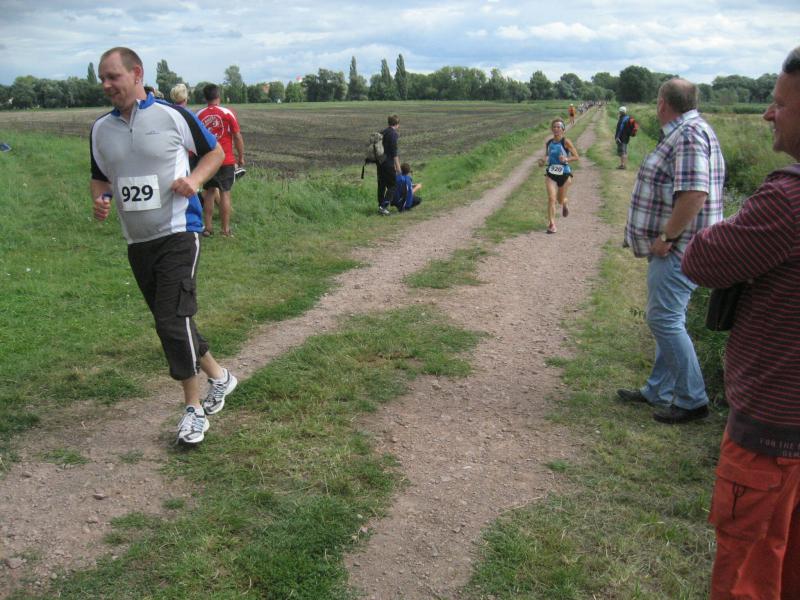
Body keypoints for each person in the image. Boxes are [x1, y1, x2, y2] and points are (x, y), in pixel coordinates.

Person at [681, 46, 800, 600]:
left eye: (781, 103)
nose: (768, 113)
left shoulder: (788, 202)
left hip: (774, 433)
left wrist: (729, 225)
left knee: (748, 575)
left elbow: (702, 259)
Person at [90, 47, 238, 445]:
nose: (106, 85)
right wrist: (100, 200)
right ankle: (220, 377)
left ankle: (193, 410)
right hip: (137, 241)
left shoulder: (173, 115)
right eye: (102, 79)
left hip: (179, 232)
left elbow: (215, 152)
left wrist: (195, 180)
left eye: (113, 77)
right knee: (174, 318)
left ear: (136, 74)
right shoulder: (100, 129)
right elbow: (100, 177)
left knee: (170, 322)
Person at [617, 77, 724, 424]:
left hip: (681, 248)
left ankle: (693, 400)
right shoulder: (689, 131)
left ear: (662, 103)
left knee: (663, 319)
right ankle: (658, 390)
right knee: (668, 316)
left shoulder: (688, 134)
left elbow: (694, 193)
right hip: (683, 245)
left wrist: (667, 236)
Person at [197, 84, 244, 237]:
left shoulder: (199, 115)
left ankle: (208, 228)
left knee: (209, 193)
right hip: (225, 160)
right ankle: (225, 230)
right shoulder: (227, 113)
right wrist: (241, 157)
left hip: (208, 160)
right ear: (218, 96)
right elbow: (237, 136)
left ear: (205, 98)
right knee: (225, 193)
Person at [537, 118, 579, 234]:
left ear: (563, 129)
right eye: (554, 127)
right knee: (551, 198)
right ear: (552, 129)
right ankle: (552, 224)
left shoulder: (566, 142)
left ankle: (564, 203)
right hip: (551, 173)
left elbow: (576, 157)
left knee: (560, 200)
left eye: (558, 127)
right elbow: (546, 155)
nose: (556, 129)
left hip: (564, 174)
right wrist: (542, 161)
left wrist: (566, 159)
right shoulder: (549, 143)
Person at [377, 114, 400, 216]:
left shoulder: (382, 132)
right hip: (388, 163)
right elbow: (394, 153)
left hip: (379, 162)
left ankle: (380, 206)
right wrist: (398, 168)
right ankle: (384, 207)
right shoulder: (393, 134)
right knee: (393, 185)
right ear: (397, 124)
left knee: (381, 185)